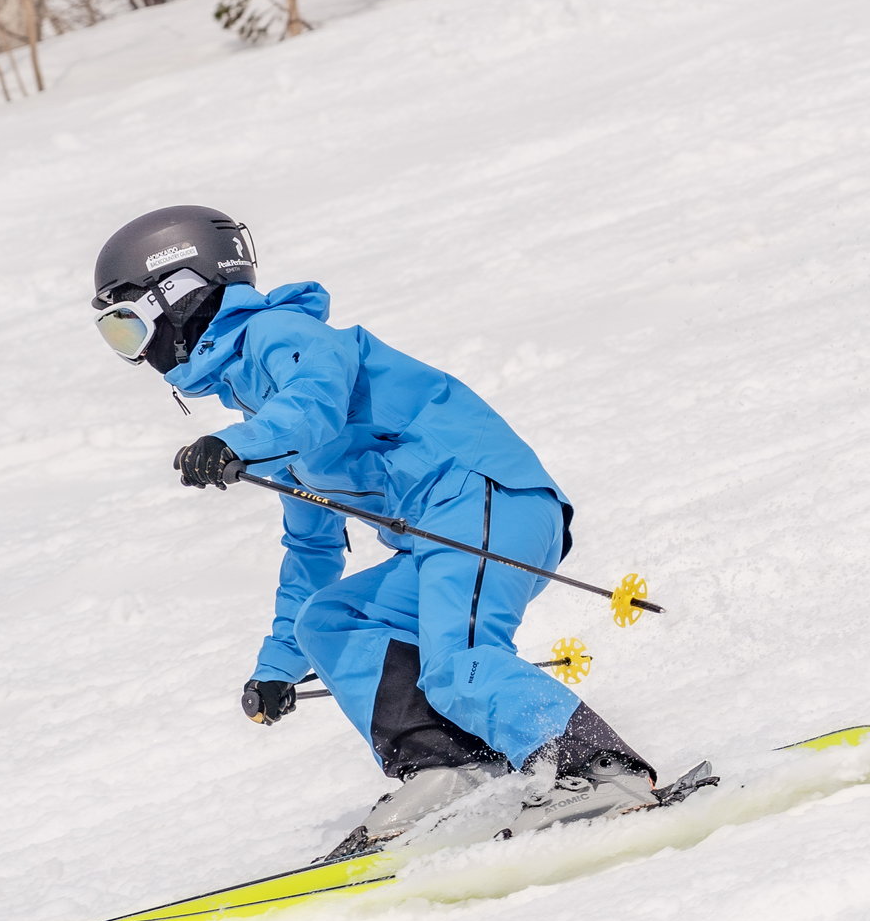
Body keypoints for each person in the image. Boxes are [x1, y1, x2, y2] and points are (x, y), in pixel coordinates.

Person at [92, 203, 655, 855]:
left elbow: (316, 405)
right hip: (443, 533)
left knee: (458, 664)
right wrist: (277, 667)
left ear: (181, 294)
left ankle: (600, 771)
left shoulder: (284, 335)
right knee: (332, 618)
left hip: (487, 499)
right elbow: (311, 549)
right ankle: (448, 765)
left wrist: (235, 441)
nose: (137, 356)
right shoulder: (262, 405)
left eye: (129, 328)